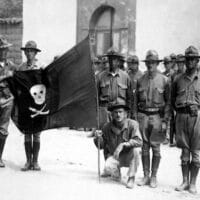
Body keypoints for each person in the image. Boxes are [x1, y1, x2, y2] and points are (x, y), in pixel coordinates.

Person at [135, 50, 170, 188]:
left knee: (156, 148)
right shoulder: (140, 80)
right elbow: (135, 102)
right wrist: (135, 118)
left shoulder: (165, 80)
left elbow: (168, 103)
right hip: (143, 116)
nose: (150, 65)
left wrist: (165, 121)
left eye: (153, 63)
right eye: (148, 62)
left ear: (157, 63)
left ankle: (154, 176)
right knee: (144, 147)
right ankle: (145, 175)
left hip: (157, 117)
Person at [94, 102, 142, 189]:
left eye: (120, 112)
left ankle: (131, 178)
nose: (118, 114)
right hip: (115, 156)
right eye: (115, 112)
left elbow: (139, 141)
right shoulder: (106, 127)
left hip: (128, 156)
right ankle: (116, 172)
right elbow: (101, 146)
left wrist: (123, 144)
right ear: (111, 114)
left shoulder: (133, 124)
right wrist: (98, 138)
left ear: (125, 114)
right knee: (108, 167)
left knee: (136, 150)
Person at [172, 46, 200, 194]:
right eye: (188, 59)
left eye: (193, 59)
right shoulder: (177, 80)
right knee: (184, 153)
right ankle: (184, 181)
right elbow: (172, 100)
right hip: (182, 117)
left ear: (197, 61)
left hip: (197, 119)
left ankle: (193, 183)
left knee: (196, 154)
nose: (190, 62)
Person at [19, 40, 45, 171]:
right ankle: (28, 161)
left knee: (37, 133)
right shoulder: (21, 68)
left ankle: (35, 161)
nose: (29, 53)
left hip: (38, 103)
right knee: (27, 132)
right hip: (26, 104)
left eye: (31, 51)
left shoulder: (41, 67)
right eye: (27, 51)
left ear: (35, 53)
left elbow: (47, 83)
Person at [0, 35, 16, 167]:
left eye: (5, 50)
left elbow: (19, 78)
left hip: (7, 100)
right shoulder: (8, 70)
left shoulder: (11, 65)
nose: (4, 52)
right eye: (1, 49)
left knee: (3, 130)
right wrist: (5, 76)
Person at [127, 55, 143, 119]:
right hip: (129, 99)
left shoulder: (141, 75)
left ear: (138, 64)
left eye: (135, 64)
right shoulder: (127, 74)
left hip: (137, 101)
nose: (133, 65)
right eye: (132, 64)